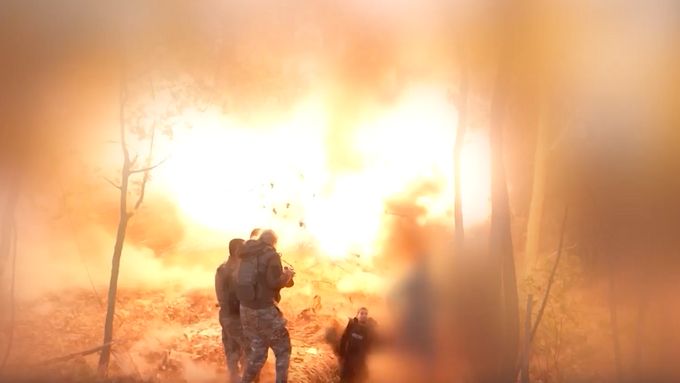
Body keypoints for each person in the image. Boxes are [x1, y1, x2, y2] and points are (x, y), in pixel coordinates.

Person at [237, 229, 295, 383]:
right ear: (273, 241)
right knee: (283, 350)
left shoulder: (247, 253)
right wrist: (288, 274)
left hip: (246, 310)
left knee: (259, 352)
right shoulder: (272, 255)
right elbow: (274, 282)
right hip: (264, 310)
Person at [215, 238, 248, 382]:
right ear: (237, 251)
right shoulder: (235, 271)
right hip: (236, 316)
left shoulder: (222, 268)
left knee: (232, 352)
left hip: (227, 316)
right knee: (249, 351)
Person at [338, 307, 377, 383]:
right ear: (357, 315)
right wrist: (341, 354)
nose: (364, 315)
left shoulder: (368, 329)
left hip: (359, 360)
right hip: (348, 358)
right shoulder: (351, 325)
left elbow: (370, 344)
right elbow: (344, 339)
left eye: (366, 314)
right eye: (361, 313)